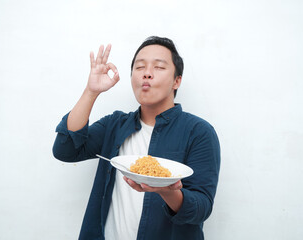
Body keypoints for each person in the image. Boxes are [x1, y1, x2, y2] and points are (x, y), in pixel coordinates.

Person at [52, 36, 220, 240]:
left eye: (158, 67)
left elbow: (201, 208)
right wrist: (91, 92)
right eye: (140, 67)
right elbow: (65, 149)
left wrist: (167, 191)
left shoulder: (199, 132)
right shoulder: (114, 125)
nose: (147, 74)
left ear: (177, 80)